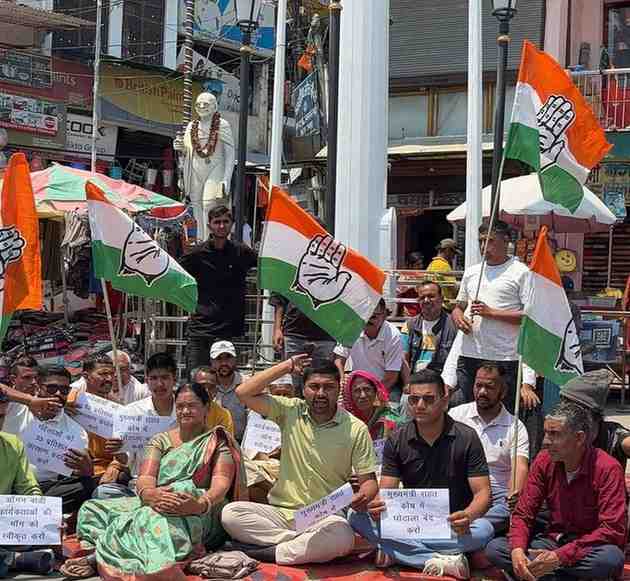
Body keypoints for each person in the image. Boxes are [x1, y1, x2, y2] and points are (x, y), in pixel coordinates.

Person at [60, 383, 246, 580]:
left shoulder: (216, 441)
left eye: (191, 405)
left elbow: (220, 484)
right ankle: (115, 549)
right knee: (93, 508)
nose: (185, 411)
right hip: (159, 501)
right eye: (180, 406)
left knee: (170, 500)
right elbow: (146, 478)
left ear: (207, 408)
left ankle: (98, 558)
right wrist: (151, 495)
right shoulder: (160, 440)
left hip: (199, 508)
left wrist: (199, 504)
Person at [221, 357, 378, 565]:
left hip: (324, 517)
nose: (321, 393)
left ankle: (267, 552)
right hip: (282, 512)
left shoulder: (356, 428)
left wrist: (362, 496)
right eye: (314, 386)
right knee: (230, 514)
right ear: (303, 389)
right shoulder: (290, 411)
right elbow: (243, 392)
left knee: (342, 537)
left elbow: (369, 481)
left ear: (338, 389)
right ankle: (297, 544)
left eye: (328, 387)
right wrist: (287, 366)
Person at [349, 369, 493, 578]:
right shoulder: (397, 438)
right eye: (414, 399)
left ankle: (395, 550)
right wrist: (378, 505)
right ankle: (435, 559)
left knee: (485, 529)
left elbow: (483, 493)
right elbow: (387, 490)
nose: (420, 405)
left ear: (444, 400)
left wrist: (468, 515)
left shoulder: (467, 437)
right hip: (410, 523)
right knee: (355, 516)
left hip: (452, 524)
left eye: (428, 399)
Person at [485, 401, 627, 581]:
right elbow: (523, 513)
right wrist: (517, 550)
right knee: (496, 548)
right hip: (551, 541)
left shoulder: (608, 468)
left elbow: (611, 530)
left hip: (588, 547)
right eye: (546, 433)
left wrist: (560, 557)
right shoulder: (544, 460)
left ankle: (542, 572)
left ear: (579, 438)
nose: (545, 441)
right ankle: (549, 572)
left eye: (554, 434)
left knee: (610, 559)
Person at [451, 221, 530, 411]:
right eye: (480, 241)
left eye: (490, 240)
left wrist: (492, 313)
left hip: (504, 356)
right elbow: (459, 306)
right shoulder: (472, 272)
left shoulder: (522, 272)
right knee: (468, 410)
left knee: (501, 411)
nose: (483, 246)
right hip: (470, 354)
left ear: (506, 241)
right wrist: (458, 317)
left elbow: (530, 317)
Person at [449, 362, 529, 534]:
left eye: (490, 387)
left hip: (498, 494)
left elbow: (520, 467)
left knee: (511, 508)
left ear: (503, 391)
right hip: (462, 486)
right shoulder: (455, 416)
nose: (482, 392)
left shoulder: (516, 427)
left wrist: (514, 495)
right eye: (478, 385)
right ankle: (470, 529)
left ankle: (469, 526)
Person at [2, 365, 91, 514]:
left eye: (64, 390)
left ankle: (36, 512)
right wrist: (30, 400)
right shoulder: (15, 408)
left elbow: (74, 473)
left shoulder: (77, 432)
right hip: (7, 485)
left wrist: (85, 469)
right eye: (51, 388)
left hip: (45, 489)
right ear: (38, 387)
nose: (58, 394)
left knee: (85, 485)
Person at [93, 353, 180, 500]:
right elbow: (126, 460)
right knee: (102, 493)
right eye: (154, 378)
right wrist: (117, 450)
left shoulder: (185, 410)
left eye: (165, 378)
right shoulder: (132, 412)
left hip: (178, 483)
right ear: (146, 381)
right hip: (140, 485)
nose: (159, 384)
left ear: (174, 379)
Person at [180, 205, 257, 370]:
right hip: (201, 330)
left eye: (225, 221)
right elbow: (177, 275)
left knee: (228, 380)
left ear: (232, 224)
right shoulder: (196, 254)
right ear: (209, 225)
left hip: (230, 332)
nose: (221, 226)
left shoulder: (242, 252)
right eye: (217, 222)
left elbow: (267, 267)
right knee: (196, 379)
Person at [0, 392, 54, 577]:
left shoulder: (13, 444)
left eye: (1, 416)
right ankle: (14, 559)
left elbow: (29, 488)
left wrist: (42, 516)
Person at [559, 369, 630, 471]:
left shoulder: (612, 436)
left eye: (568, 405)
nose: (563, 411)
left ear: (589, 413)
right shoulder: (558, 434)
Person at [334, 299, 404, 396]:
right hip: (356, 385)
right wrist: (342, 381)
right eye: (364, 315)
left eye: (373, 316)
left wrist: (373, 396)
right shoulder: (350, 328)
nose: (367, 320)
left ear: (384, 316)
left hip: (384, 386)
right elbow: (339, 359)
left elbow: (391, 376)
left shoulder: (394, 335)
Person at [243, 374, 295, 503]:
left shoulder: (299, 414)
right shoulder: (256, 413)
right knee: (241, 463)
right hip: (260, 466)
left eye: (286, 394)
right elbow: (250, 449)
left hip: (286, 467)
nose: (282, 398)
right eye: (278, 394)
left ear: (293, 394)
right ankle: (277, 495)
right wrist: (264, 455)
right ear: (270, 395)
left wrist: (283, 451)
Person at [270, 292, 336, 393]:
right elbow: (280, 298)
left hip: (326, 334)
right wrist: (277, 329)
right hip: (294, 332)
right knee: (292, 382)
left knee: (323, 379)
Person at [401, 281, 457, 376]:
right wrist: (408, 382)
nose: (426, 300)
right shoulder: (409, 325)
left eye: (431, 296)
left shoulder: (455, 325)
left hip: (443, 379)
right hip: (416, 379)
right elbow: (404, 359)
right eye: (422, 297)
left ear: (441, 299)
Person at [69, 351, 149, 405]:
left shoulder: (139, 390)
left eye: (111, 373)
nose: (111, 377)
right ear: (86, 376)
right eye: (104, 373)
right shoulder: (77, 392)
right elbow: (73, 390)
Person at [343, 370, 400, 440]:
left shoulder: (391, 418)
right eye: (356, 391)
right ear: (350, 395)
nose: (363, 395)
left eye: (367, 389)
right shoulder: (345, 420)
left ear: (375, 392)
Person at [210, 340, 247, 441]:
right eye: (219, 359)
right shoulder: (207, 385)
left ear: (235, 360)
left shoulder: (247, 384)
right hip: (211, 442)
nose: (224, 363)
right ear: (212, 362)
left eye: (228, 357)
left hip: (240, 442)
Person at [189, 366, 235, 435]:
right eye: (202, 386)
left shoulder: (223, 414)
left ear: (216, 390)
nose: (206, 391)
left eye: (211, 387)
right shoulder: (181, 408)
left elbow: (225, 440)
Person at [426, 238, 460, 308]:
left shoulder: (431, 264)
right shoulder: (443, 265)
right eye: (453, 253)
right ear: (447, 250)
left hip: (433, 304)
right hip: (444, 306)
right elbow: (452, 287)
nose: (454, 257)